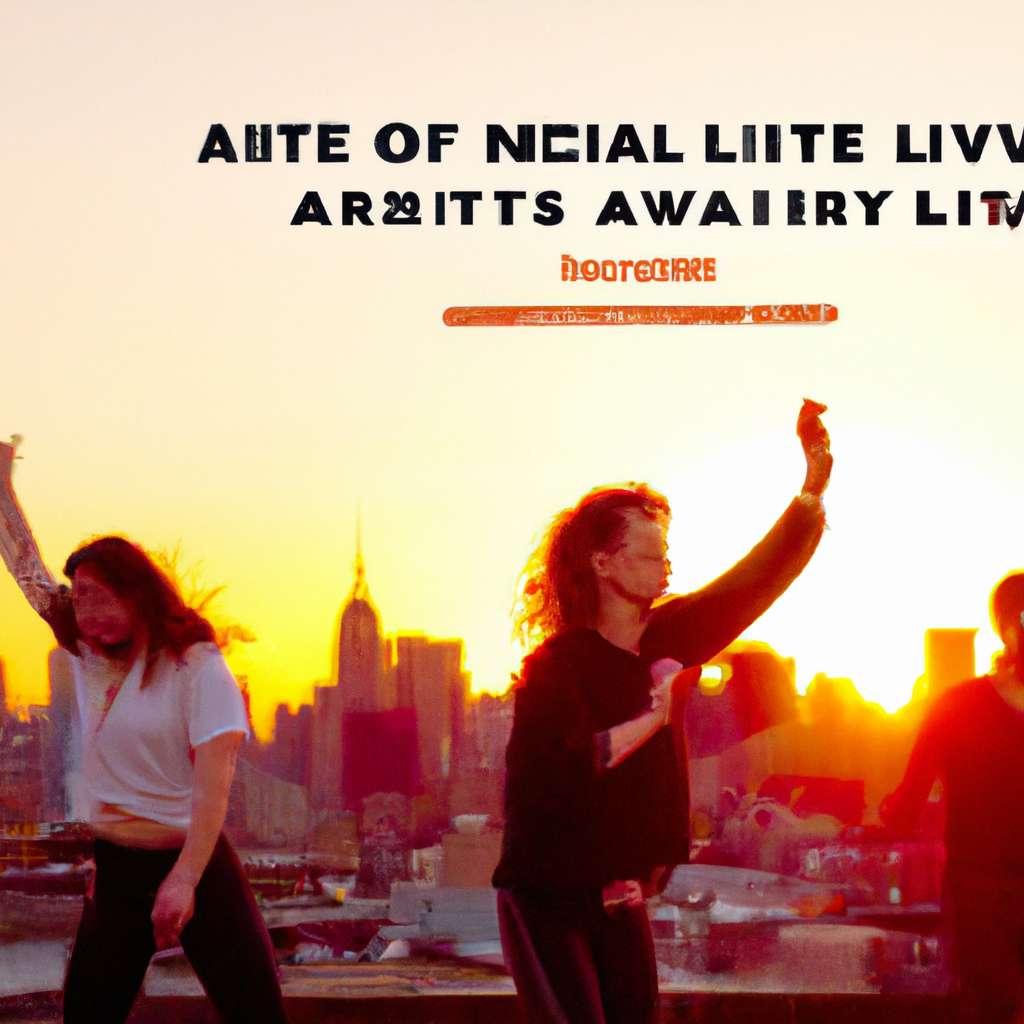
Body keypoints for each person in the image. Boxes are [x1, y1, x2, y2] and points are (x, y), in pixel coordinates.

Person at [492, 400, 833, 1024]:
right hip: (546, 898)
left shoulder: (667, 639)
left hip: (619, 893)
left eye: (666, 554)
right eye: (651, 555)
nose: (667, 567)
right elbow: (573, 764)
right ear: (603, 563)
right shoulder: (557, 667)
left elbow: (751, 583)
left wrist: (810, 491)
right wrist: (657, 714)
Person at [0, 441, 288, 1024]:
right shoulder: (86, 647)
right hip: (118, 869)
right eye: (77, 598)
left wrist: (183, 882)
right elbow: (27, 569)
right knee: (87, 1015)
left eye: (99, 598)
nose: (85, 612)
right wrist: (3, 492)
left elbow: (215, 787)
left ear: (137, 596)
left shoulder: (195, 662)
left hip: (195, 861)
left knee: (256, 1012)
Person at [881, 571, 1024, 1024]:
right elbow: (905, 808)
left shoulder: (957, 705)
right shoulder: (957, 706)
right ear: (1007, 630)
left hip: (981, 892)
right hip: (982, 895)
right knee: (993, 1004)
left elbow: (902, 809)